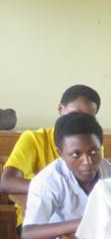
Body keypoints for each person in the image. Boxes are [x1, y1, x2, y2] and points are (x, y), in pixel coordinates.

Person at [0, 84, 101, 224]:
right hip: (36, 219)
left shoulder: (93, 145)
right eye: (75, 113)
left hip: (76, 218)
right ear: (61, 109)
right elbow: (6, 182)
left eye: (87, 118)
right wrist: (55, 189)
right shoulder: (34, 139)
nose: (79, 122)